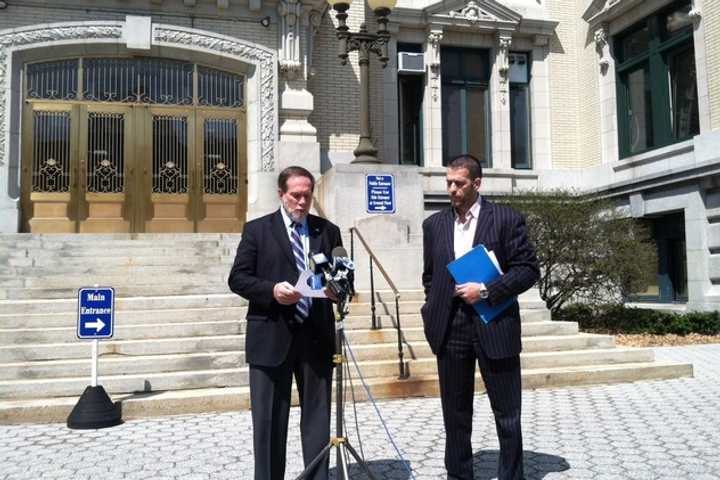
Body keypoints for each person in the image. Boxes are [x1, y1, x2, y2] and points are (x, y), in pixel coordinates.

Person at [421, 154, 540, 480]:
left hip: (495, 323)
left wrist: (486, 290)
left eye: (459, 183)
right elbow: (429, 276)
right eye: (448, 183)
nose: (452, 189)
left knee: (507, 413)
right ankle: (459, 475)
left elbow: (528, 270)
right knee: (455, 414)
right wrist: (431, 310)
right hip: (451, 326)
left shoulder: (505, 218)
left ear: (476, 183)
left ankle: (512, 475)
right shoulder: (434, 225)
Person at [228, 166, 342, 480]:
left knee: (318, 421)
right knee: (268, 423)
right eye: (296, 195)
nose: (302, 202)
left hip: (315, 337)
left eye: (307, 195)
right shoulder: (257, 230)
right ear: (281, 194)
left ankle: (317, 476)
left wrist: (338, 290)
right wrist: (272, 291)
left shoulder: (327, 231)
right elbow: (237, 279)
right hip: (271, 335)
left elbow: (344, 277)